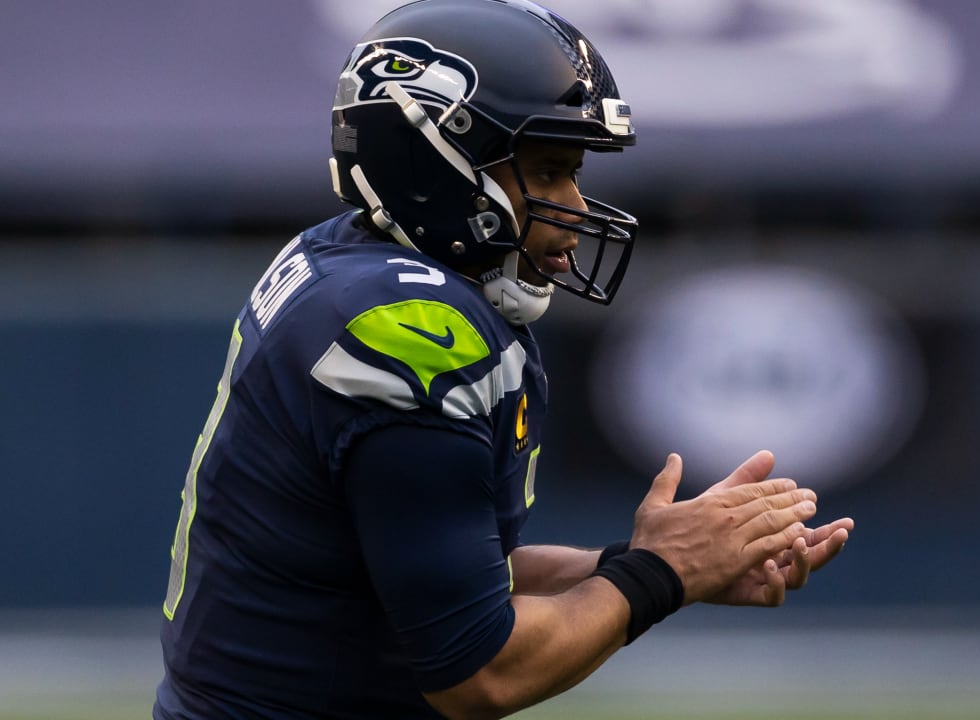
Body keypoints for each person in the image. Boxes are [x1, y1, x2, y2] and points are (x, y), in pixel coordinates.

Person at [154, 0, 855, 718]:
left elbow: (442, 569)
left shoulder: (350, 258)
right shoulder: (411, 329)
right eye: (548, 172)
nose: (576, 208)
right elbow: (478, 671)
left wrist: (650, 562)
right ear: (432, 157)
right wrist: (662, 575)